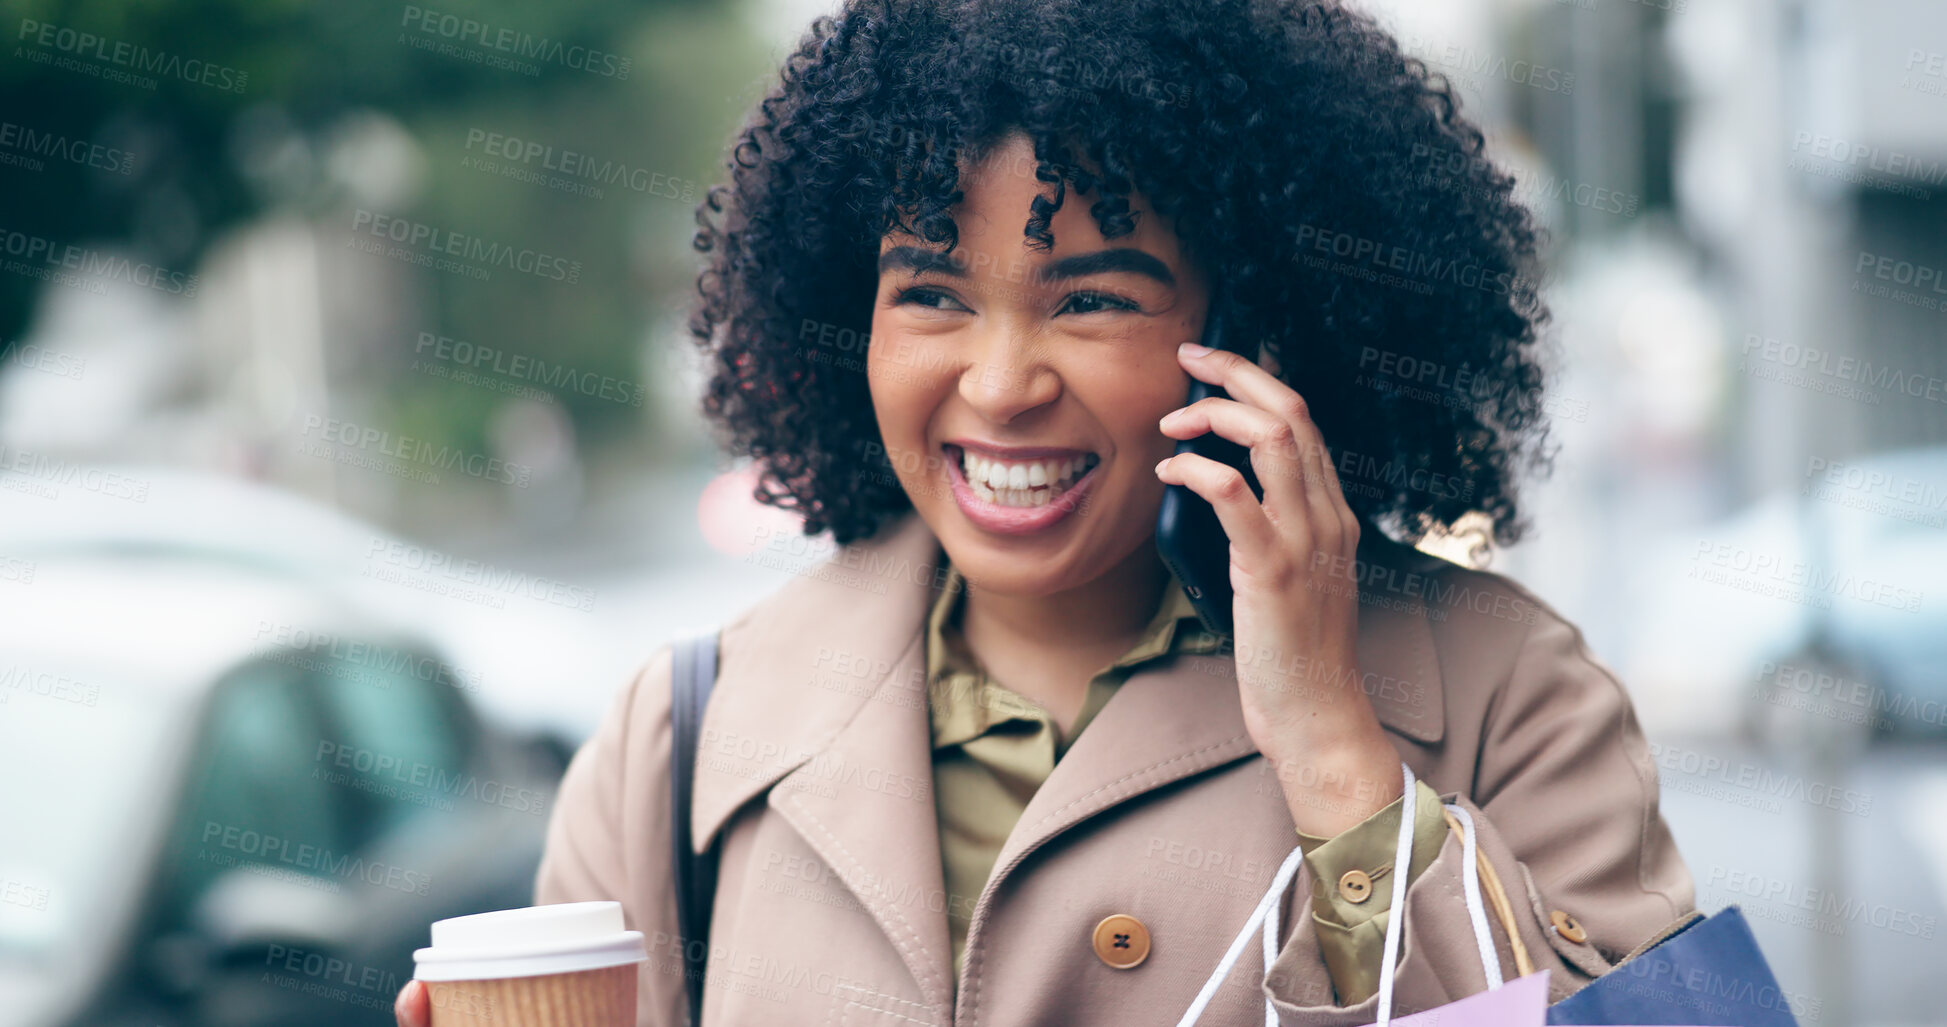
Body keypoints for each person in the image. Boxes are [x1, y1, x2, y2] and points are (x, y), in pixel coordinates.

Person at [398, 0, 1694, 1023]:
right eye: (931, 294)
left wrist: (1339, 760)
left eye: (1092, 297)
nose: (1001, 383)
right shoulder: (683, 740)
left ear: (1257, 337)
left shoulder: (1505, 699)